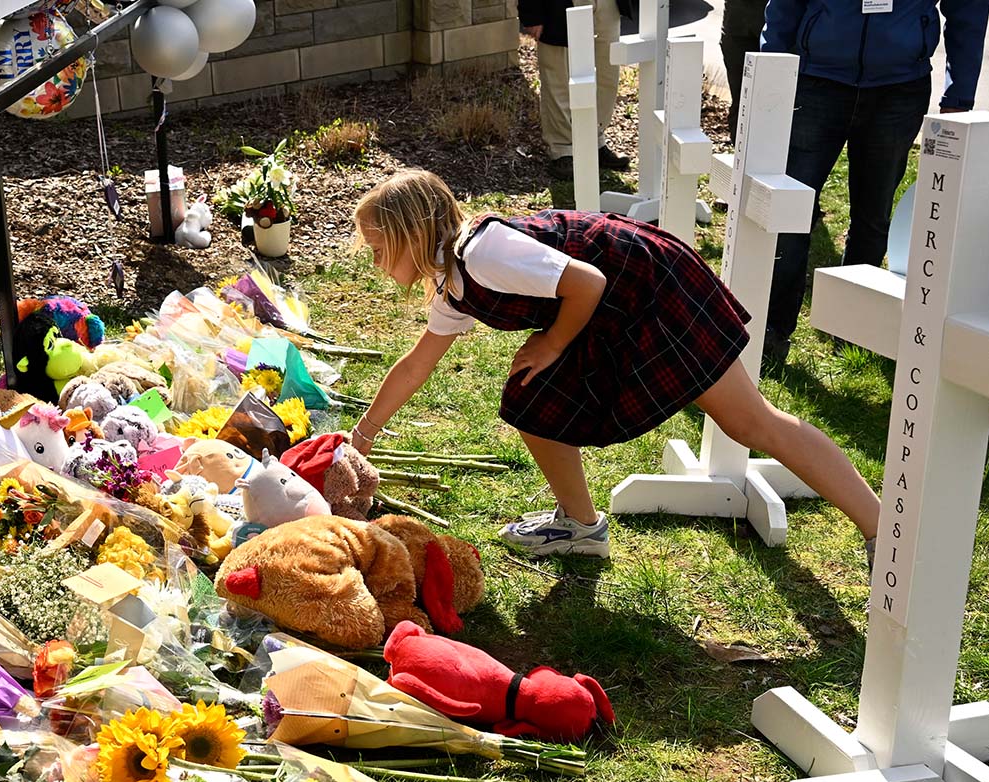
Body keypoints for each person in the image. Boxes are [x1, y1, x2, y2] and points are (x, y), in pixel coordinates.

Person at [349, 170, 881, 568]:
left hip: (650, 290)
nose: (373, 264)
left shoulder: (484, 251)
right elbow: (417, 363)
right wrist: (365, 432)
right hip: (605, 312)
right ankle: (581, 527)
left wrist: (554, 344)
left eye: (378, 250)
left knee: (749, 422)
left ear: (412, 234)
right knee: (533, 401)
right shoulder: (451, 282)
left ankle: (883, 529)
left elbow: (587, 281)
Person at [760, 0, 989, 364]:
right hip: (816, 81)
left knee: (873, 216)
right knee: (790, 213)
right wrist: (770, 69)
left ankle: (850, 327)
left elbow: (970, 8)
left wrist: (960, 93)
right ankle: (771, 330)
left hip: (900, 88)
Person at [519, 0, 632, 181]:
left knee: (607, 75)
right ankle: (562, 149)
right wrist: (532, 14)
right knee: (559, 80)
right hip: (559, 6)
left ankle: (594, 140)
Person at [719, 0, 770, 142]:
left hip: (778, 32)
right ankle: (739, 155)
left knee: (772, 105)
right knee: (742, 103)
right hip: (737, 29)